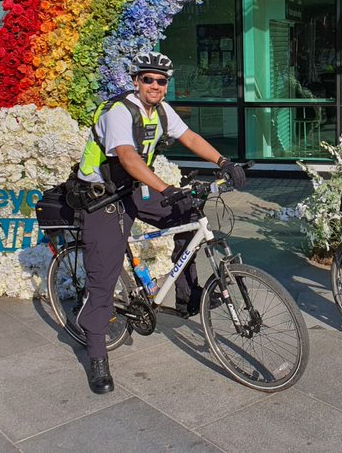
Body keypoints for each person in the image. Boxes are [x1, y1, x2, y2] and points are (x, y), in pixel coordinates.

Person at [74, 51, 246, 394]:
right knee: (103, 278)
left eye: (161, 80)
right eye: (147, 79)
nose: (154, 85)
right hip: (100, 196)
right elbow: (127, 156)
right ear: (136, 81)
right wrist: (166, 187)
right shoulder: (120, 113)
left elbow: (191, 137)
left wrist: (224, 161)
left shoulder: (161, 111)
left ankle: (187, 294)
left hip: (133, 187)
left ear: (167, 85)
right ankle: (96, 356)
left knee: (188, 214)